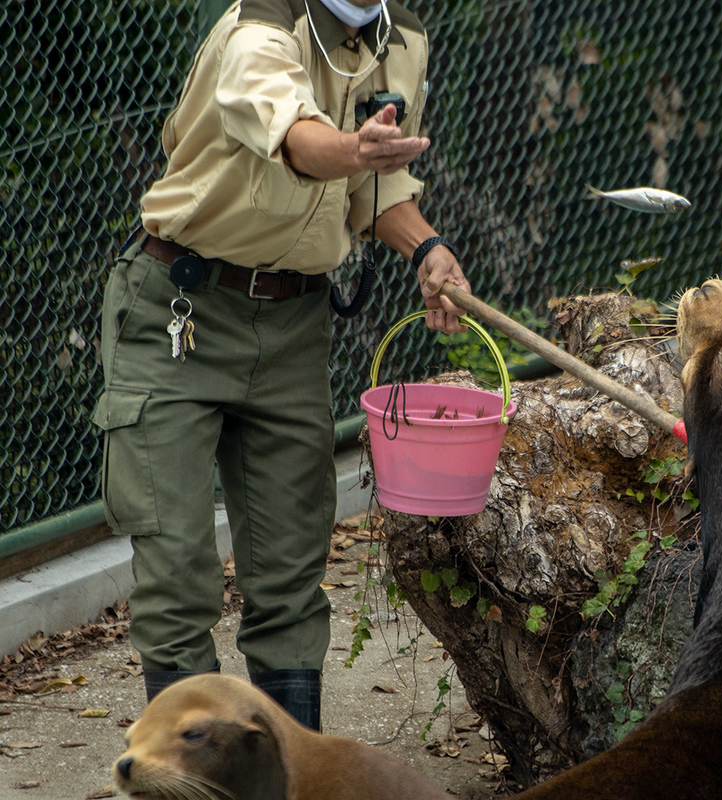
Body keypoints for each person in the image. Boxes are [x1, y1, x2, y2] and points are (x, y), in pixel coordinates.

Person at [91, 0, 470, 732]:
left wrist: (427, 250)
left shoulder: (404, 39)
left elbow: (375, 187)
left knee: (291, 582)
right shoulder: (259, 24)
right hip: (183, 311)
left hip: (295, 323)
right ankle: (191, 778)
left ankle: (292, 774)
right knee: (177, 576)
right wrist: (355, 151)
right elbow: (297, 142)